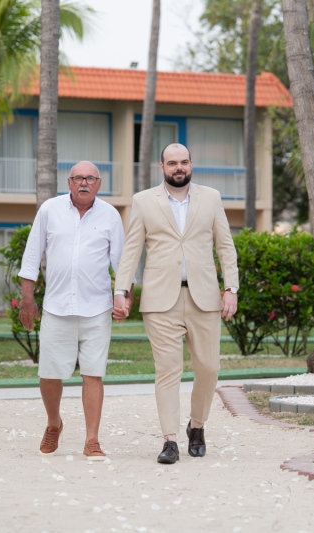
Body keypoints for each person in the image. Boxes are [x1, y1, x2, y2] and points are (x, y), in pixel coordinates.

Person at [112, 143, 239, 465]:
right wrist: (120, 290)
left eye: (183, 162)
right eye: (172, 163)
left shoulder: (211, 198)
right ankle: (169, 440)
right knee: (167, 370)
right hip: (160, 299)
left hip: (205, 297)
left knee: (209, 368)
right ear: (162, 166)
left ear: (191, 164)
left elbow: (225, 246)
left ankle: (197, 426)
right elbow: (131, 251)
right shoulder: (143, 201)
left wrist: (231, 288)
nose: (178, 168)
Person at [18, 161, 126, 460]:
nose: (84, 183)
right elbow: (31, 256)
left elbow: (122, 264)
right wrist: (28, 300)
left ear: (98, 184)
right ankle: (54, 424)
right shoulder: (49, 210)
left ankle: (92, 440)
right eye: (78, 177)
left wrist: (122, 297)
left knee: (93, 373)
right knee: (50, 374)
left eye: (90, 178)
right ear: (69, 182)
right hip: (56, 307)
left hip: (97, 309)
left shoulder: (110, 215)